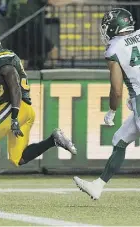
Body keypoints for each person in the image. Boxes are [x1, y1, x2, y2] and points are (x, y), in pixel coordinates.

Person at [0, 29, 77, 198]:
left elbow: (15, 86)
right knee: (18, 159)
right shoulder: (0, 61)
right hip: (26, 109)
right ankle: (53, 140)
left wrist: (15, 116)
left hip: (15, 107)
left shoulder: (0, 61)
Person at [74, 8, 140, 200]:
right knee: (120, 139)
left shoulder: (114, 48)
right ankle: (98, 185)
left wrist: (112, 109)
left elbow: (117, 89)